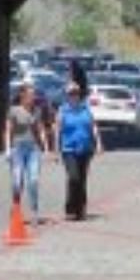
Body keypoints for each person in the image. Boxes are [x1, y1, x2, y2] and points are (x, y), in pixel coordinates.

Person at [55, 82, 103, 221]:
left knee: (82, 180)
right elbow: (57, 129)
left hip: (85, 148)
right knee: (73, 177)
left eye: (76, 93)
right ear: (67, 96)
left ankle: (80, 209)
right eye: (71, 93)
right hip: (69, 149)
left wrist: (99, 143)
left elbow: (93, 126)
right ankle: (71, 206)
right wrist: (56, 149)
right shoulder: (63, 110)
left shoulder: (85, 109)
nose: (74, 96)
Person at [4, 83, 50, 224]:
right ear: (23, 96)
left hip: (33, 149)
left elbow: (41, 130)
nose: (33, 97)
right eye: (30, 94)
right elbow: (8, 130)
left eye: (34, 94)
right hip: (18, 149)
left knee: (34, 181)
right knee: (17, 182)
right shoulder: (14, 110)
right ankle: (16, 207)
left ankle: (34, 212)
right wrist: (7, 149)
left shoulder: (36, 110)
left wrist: (46, 148)